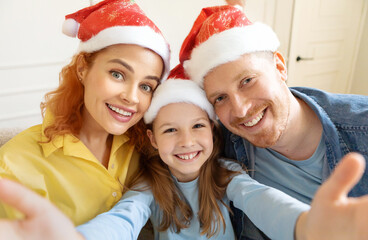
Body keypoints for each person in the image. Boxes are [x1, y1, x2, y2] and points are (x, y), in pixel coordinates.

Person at [178, 4, 368, 240]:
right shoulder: (221, 145)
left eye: (247, 80)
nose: (240, 110)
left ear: (279, 66)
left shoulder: (363, 126)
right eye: (220, 98)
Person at [0, 0, 170, 226]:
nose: (132, 97)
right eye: (117, 74)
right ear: (82, 68)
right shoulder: (15, 164)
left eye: (146, 86)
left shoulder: (145, 146)